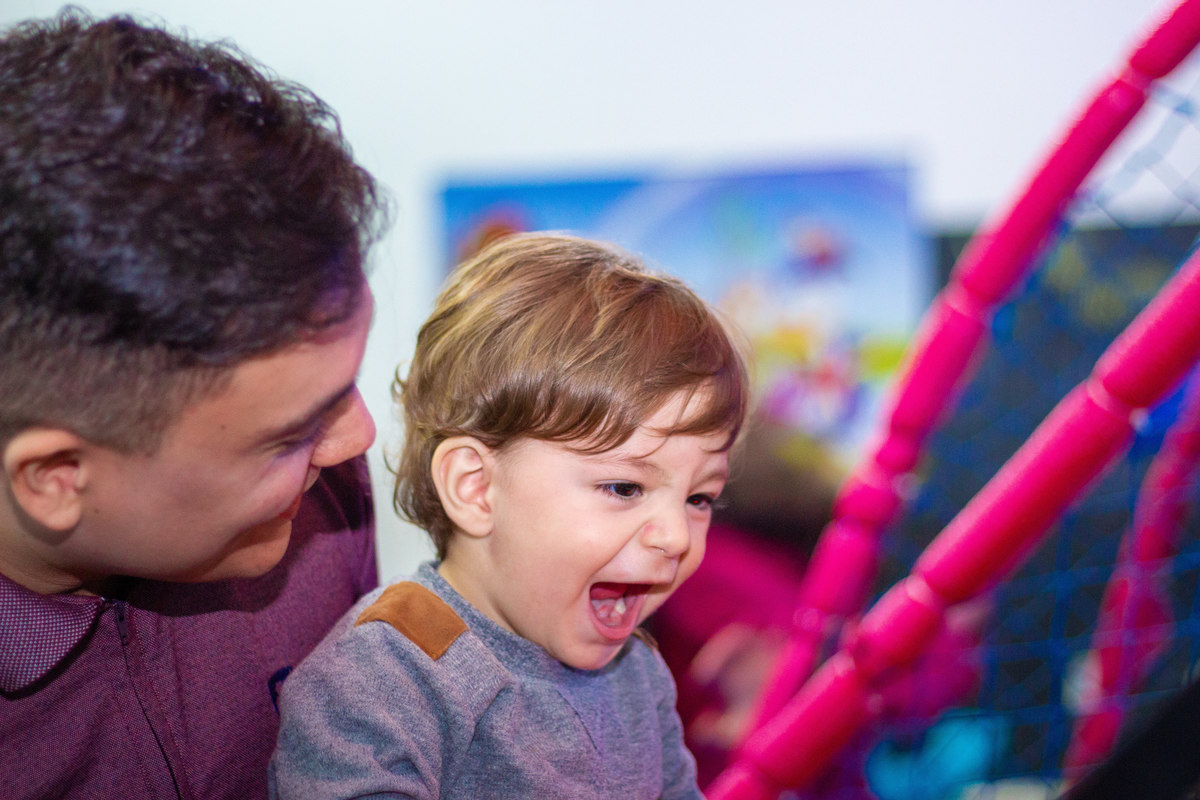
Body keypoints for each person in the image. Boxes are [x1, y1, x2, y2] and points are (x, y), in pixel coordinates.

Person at [0, 9, 387, 799]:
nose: (359, 440)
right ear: (57, 476)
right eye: (291, 433)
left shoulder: (321, 513)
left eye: (344, 387)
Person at [269, 233, 751, 799]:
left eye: (699, 499)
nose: (676, 537)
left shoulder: (637, 676)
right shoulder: (390, 673)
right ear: (476, 488)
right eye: (624, 487)